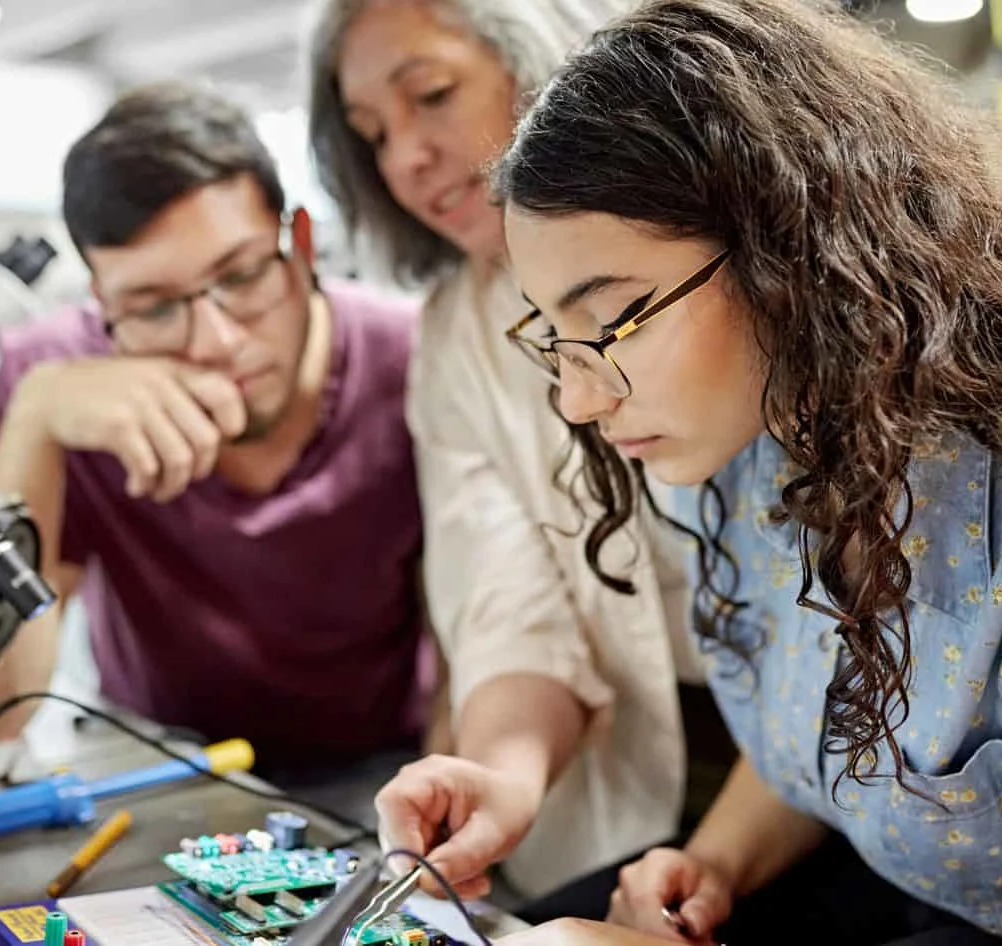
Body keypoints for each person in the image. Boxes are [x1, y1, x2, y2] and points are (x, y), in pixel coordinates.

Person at [480, 1, 1002, 944]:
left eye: (613, 320)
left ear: (793, 245)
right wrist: (714, 866)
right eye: (555, 337)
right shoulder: (772, 423)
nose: (577, 400)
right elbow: (837, 708)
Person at [307, 0, 733, 903]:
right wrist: (502, 776)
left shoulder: (730, 259)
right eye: (373, 133)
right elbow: (506, 596)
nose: (406, 158)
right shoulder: (458, 334)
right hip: (640, 772)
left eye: (431, 94)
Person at [0, 82, 433, 785]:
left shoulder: (413, 362)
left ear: (300, 244)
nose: (214, 342)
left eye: (241, 276)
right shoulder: (52, 381)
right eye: (151, 308)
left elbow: (484, 641)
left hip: (382, 770)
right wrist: (34, 423)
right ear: (102, 302)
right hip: (151, 761)